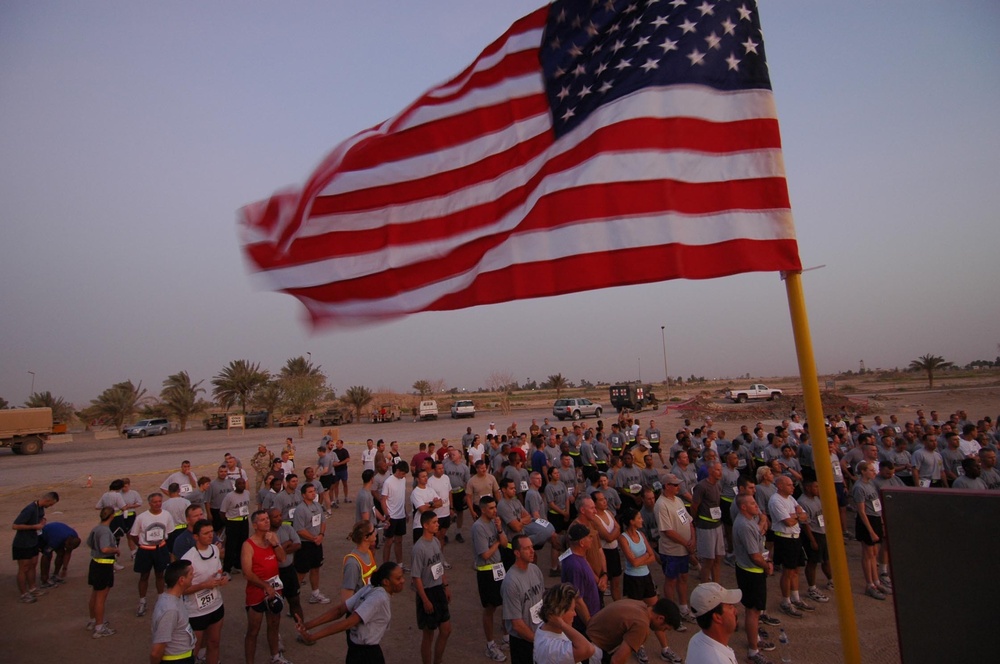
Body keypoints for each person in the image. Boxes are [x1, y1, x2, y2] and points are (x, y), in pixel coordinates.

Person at [296, 562, 406, 663]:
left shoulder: (369, 588)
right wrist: (312, 637)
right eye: (398, 578)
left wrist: (308, 625)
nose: (403, 581)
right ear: (386, 582)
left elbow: (339, 610)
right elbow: (349, 622)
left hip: (354, 649)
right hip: (367, 654)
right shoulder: (379, 598)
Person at [617, 506, 679, 662]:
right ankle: (639, 647)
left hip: (645, 577)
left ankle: (665, 648)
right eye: (638, 518)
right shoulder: (623, 538)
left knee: (657, 610)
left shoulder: (641, 534)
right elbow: (634, 561)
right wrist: (645, 558)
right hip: (633, 580)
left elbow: (651, 557)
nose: (641, 520)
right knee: (637, 616)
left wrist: (642, 559)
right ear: (632, 522)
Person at [241, 510, 290, 664]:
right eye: (262, 520)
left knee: (274, 624)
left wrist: (275, 544)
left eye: (267, 519)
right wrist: (265, 586)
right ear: (255, 525)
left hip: (275, 589)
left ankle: (275, 656)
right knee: (253, 630)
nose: (267, 521)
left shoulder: (272, 540)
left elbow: (282, 558)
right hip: (257, 592)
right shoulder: (248, 545)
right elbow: (247, 573)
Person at [732, 494, 776, 664]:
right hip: (752, 572)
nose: (756, 505)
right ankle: (753, 650)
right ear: (743, 507)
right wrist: (767, 566)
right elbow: (754, 555)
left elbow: (762, 520)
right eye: (752, 503)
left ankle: (755, 639)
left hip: (750, 570)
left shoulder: (749, 520)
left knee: (753, 610)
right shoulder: (745, 526)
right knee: (753, 610)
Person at [181, 519, 228, 664]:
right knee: (193, 649)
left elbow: (218, 571)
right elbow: (182, 590)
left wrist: (222, 579)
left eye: (211, 532)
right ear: (196, 537)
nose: (210, 535)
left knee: (214, 643)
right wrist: (204, 585)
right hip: (196, 612)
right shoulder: (188, 559)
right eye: (206, 533)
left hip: (216, 606)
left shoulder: (214, 550)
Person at [587, 596, 682, 664]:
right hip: (591, 650)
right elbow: (617, 661)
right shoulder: (642, 626)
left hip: (585, 636)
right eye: (665, 628)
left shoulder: (640, 605)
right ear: (660, 618)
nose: (663, 631)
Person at [768, 475, 813, 617]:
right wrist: (796, 516)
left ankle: (795, 597)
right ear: (780, 486)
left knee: (795, 570)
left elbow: (804, 515)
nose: (792, 487)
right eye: (789, 485)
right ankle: (785, 601)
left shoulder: (791, 498)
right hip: (785, 538)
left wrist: (796, 516)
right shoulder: (776, 500)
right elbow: (788, 522)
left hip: (796, 537)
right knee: (787, 571)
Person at [412, 511, 452, 664]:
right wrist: (425, 600)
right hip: (427, 592)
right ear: (425, 525)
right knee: (428, 635)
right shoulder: (419, 548)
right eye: (434, 522)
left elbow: (439, 566)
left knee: (446, 630)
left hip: (438, 590)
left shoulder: (435, 542)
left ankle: (438, 661)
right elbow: (416, 577)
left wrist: (445, 585)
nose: (438, 525)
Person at [473, 496, 510, 661]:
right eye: (491, 508)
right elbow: (485, 554)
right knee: (490, 608)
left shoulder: (495, 523)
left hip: (499, 568)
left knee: (505, 603)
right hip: (486, 571)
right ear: (483, 510)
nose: (495, 510)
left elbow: (504, 542)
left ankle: (507, 638)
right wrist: (496, 543)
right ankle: (490, 645)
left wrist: (500, 530)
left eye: (495, 507)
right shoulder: (478, 527)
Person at [501, 533, 545, 664]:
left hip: (539, 634)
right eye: (527, 548)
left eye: (532, 547)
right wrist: (539, 641)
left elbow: (542, 602)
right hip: (523, 642)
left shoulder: (535, 570)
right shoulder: (511, 582)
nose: (532, 551)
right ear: (517, 553)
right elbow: (517, 624)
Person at [131, 492, 176, 618]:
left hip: (160, 549)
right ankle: (142, 601)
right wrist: (141, 545)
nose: (158, 504)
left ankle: (161, 599)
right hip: (145, 550)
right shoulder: (141, 517)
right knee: (144, 576)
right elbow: (134, 535)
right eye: (155, 502)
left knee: (160, 575)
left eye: (159, 501)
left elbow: (170, 532)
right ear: (149, 503)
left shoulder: (166, 515)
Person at [533, 583, 598, 664]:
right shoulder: (551, 648)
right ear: (559, 612)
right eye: (572, 610)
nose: (575, 614)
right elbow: (588, 649)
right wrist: (562, 624)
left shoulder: (545, 627)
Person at [852, 461, 890, 600]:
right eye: (871, 470)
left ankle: (876, 581)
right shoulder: (859, 487)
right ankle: (869, 584)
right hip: (866, 521)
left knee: (874, 552)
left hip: (875, 518)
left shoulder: (871, 484)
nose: (874, 472)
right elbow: (861, 511)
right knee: (868, 554)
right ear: (863, 471)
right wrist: (871, 531)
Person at [13, 491, 59, 603]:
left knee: (33, 565)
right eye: (52, 504)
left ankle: (33, 588)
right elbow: (15, 525)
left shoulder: (41, 509)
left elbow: (38, 521)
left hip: (33, 541)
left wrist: (42, 521)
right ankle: (24, 593)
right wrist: (35, 526)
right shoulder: (30, 509)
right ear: (47, 500)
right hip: (23, 543)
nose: (51, 506)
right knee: (24, 568)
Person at [150, 560, 197, 664]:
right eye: (191, 574)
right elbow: (156, 652)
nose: (193, 576)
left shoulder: (175, 598)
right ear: (181, 580)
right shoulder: (170, 610)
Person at [687, 582, 742, 664]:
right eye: (730, 607)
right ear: (717, 617)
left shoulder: (696, 640)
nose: (736, 611)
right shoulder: (718, 660)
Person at [293, 483, 330, 605]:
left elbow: (323, 522)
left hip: (317, 543)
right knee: (301, 573)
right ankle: (293, 600)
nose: (313, 493)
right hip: (305, 545)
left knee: (315, 568)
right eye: (310, 492)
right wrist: (314, 538)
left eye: (314, 491)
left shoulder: (318, 505)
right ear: (303, 495)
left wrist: (321, 535)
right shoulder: (300, 509)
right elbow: (299, 529)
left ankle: (315, 594)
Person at [86, 507, 119, 638]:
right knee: (101, 597)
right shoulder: (105, 531)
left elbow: (89, 543)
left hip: (95, 563)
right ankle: (99, 627)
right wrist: (115, 550)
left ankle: (93, 620)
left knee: (94, 594)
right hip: (104, 565)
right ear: (112, 516)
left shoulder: (96, 528)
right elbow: (105, 549)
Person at [560, 523, 601, 628]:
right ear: (582, 543)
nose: (592, 539)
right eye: (589, 537)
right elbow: (577, 599)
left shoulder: (578, 557)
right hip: (583, 621)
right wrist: (589, 623)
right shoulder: (574, 566)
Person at [691, 461, 726, 583]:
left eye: (720, 470)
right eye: (717, 470)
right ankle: (704, 586)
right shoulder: (701, 487)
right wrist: (695, 521)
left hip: (717, 524)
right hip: (706, 526)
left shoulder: (718, 485)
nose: (720, 472)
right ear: (710, 471)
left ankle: (716, 586)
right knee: (708, 560)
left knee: (718, 558)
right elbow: (694, 506)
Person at [268, 508, 303, 624]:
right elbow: (269, 555)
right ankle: (275, 636)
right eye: (275, 517)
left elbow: (297, 544)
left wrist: (279, 550)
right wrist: (286, 544)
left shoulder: (287, 528)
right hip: (274, 573)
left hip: (289, 571)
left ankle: (301, 629)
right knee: (274, 605)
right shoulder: (266, 535)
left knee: (295, 601)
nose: (279, 519)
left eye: (280, 515)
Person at [380, 460, 410, 565]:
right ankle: (385, 565)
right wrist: (387, 515)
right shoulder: (388, 482)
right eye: (402, 473)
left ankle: (400, 564)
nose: (403, 475)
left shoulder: (403, 480)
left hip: (401, 515)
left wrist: (405, 512)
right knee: (388, 542)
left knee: (399, 541)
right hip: (391, 516)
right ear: (397, 470)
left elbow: (402, 497)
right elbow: (383, 499)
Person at [342, 521, 379, 602]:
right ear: (366, 538)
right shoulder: (352, 564)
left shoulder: (369, 553)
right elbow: (346, 599)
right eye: (373, 531)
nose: (376, 533)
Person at [220, 478, 251, 574]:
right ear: (236, 485)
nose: (242, 485)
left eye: (243, 483)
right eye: (239, 483)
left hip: (244, 521)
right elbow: (222, 512)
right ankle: (226, 569)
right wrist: (228, 523)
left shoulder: (247, 493)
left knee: (242, 545)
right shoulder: (229, 496)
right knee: (231, 546)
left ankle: (238, 565)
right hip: (233, 523)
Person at [37, 521, 80, 587]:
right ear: (66, 542)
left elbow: (68, 553)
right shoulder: (55, 540)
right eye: (66, 546)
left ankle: (55, 575)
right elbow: (45, 556)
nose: (66, 548)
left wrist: (64, 568)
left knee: (61, 553)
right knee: (48, 555)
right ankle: (44, 579)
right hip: (43, 535)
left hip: (57, 532)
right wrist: (44, 577)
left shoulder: (74, 536)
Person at [331, 439, 351, 507]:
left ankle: (346, 497)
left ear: (342, 444)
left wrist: (339, 463)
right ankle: (336, 498)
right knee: (336, 485)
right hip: (336, 471)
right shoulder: (334, 452)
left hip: (343, 470)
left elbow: (348, 459)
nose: (337, 445)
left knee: (345, 483)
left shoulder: (344, 451)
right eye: (336, 444)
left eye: (338, 443)